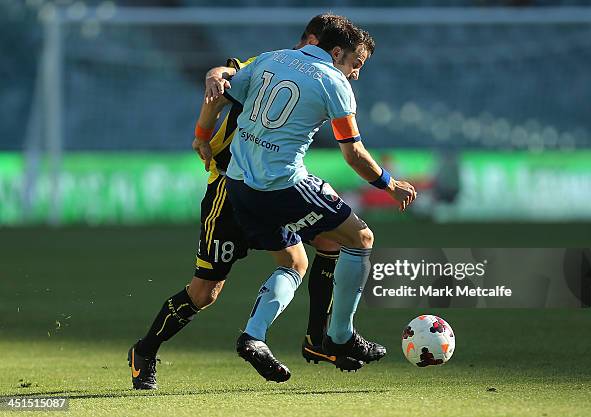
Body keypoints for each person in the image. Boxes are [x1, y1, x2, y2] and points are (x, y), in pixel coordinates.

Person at [127, 14, 362, 391]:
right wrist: (204, 127)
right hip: (227, 187)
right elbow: (221, 79)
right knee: (204, 293)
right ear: (313, 42)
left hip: (269, 188)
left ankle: (316, 341)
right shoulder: (270, 62)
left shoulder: (299, 73)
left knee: (321, 244)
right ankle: (145, 350)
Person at [199, 18, 416, 383]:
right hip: (283, 184)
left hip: (238, 184)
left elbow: (220, 93)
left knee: (295, 261)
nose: (356, 74)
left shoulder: (272, 58)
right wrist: (389, 184)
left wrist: (201, 136)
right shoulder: (333, 81)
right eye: (356, 64)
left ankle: (254, 336)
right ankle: (341, 337)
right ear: (337, 53)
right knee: (361, 238)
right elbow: (354, 155)